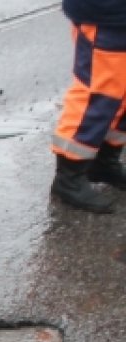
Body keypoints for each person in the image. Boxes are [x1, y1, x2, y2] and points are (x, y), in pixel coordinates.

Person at [50, 0, 126, 213]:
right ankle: (69, 176)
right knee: (98, 95)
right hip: (106, 15)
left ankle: (104, 162)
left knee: (121, 93)